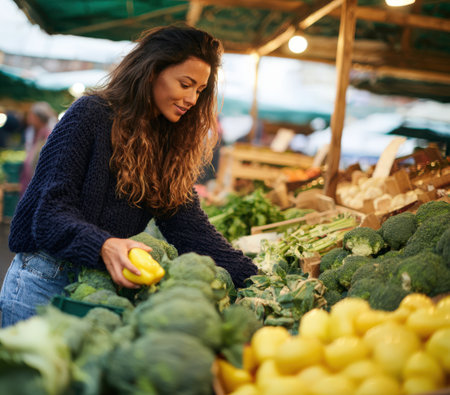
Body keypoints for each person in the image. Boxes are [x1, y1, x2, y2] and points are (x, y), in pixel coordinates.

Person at [0, 25, 258, 327]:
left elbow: (192, 231)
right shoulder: (90, 114)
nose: (192, 99)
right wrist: (104, 244)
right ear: (151, 72)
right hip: (45, 280)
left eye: (200, 91)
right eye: (185, 84)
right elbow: (48, 215)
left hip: (99, 288)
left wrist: (257, 280)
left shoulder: (166, 144)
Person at [19, 102, 56, 196]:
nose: (28, 118)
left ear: (38, 118)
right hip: (29, 182)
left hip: (37, 185)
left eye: (31, 115)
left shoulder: (48, 135)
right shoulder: (33, 132)